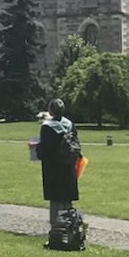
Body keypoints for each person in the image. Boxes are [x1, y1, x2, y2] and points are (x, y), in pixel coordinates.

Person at [37, 97, 80, 234]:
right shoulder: (70, 125)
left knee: (55, 199)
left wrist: (36, 148)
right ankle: (69, 224)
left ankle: (56, 227)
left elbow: (44, 150)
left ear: (51, 110)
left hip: (53, 167)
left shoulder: (47, 127)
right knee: (67, 199)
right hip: (68, 166)